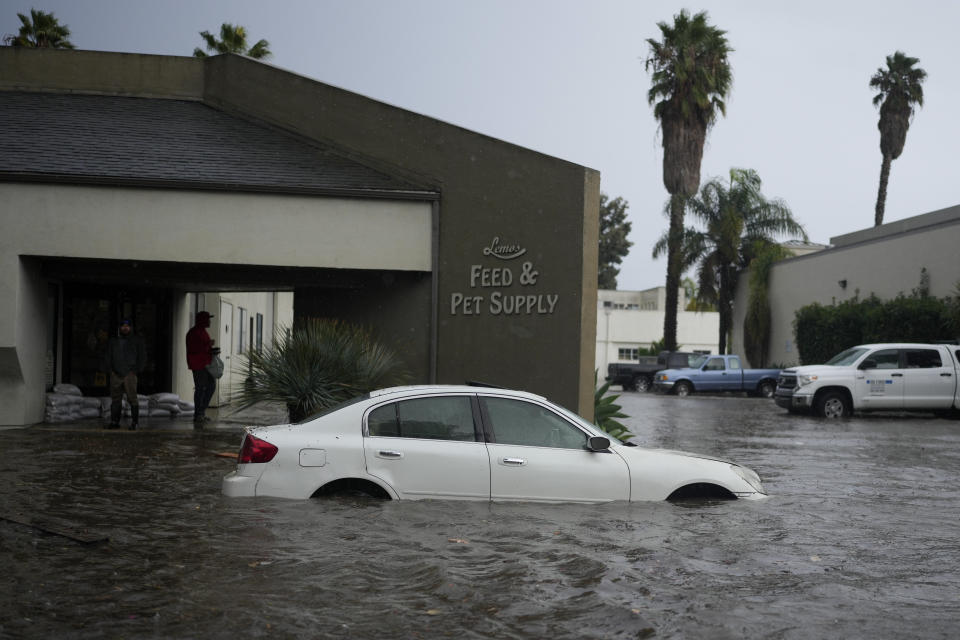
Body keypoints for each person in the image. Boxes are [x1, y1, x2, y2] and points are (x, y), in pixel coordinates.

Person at [104, 318, 147, 430]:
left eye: (127, 326)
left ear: (131, 327)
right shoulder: (113, 341)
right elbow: (108, 356)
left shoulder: (137, 340)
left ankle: (135, 422)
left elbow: (142, 357)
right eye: (122, 325)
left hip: (130, 373)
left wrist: (136, 370)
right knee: (115, 399)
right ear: (119, 327)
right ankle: (114, 421)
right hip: (115, 374)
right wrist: (110, 370)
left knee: (132, 398)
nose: (125, 327)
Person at [186, 310, 216, 428]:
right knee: (200, 388)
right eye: (208, 319)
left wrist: (210, 347)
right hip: (198, 365)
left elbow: (203, 347)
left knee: (210, 386)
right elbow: (194, 349)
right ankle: (199, 414)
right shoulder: (194, 333)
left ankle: (201, 412)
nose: (209, 321)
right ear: (203, 320)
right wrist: (208, 344)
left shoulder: (202, 332)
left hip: (205, 364)